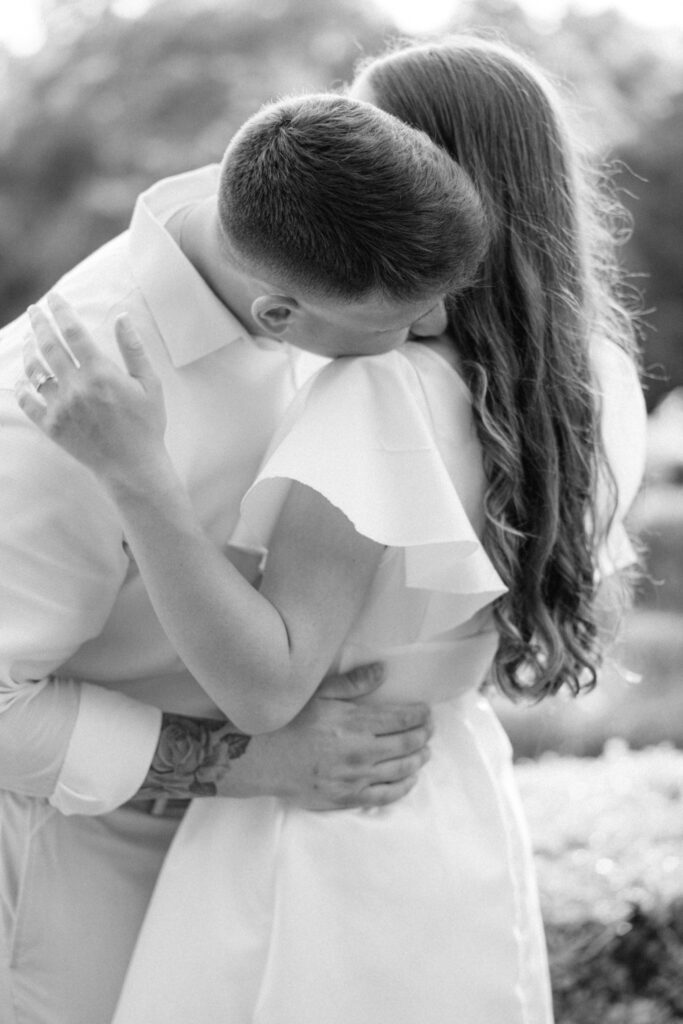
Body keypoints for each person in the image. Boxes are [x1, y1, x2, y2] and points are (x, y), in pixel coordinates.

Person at [18, 37, 648, 1024]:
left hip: (319, 818)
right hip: (420, 806)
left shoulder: (379, 379)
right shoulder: (591, 383)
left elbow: (288, 672)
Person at [0, 92, 487, 1024]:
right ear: (279, 313)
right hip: (70, 884)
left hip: (246, 868)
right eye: (407, 316)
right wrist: (249, 765)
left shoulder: (300, 239)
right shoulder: (55, 406)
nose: (433, 332)